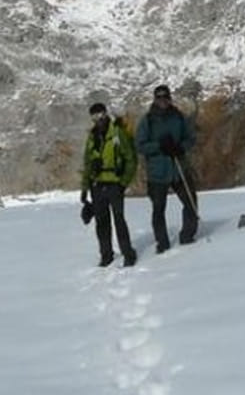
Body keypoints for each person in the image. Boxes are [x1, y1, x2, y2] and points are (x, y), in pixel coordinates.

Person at [135, 84, 198, 254]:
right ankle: (162, 242)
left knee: (190, 202)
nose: (162, 100)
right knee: (158, 209)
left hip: (178, 168)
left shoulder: (178, 117)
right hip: (157, 172)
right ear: (155, 99)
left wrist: (180, 147)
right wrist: (159, 146)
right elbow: (140, 146)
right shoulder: (147, 120)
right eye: (159, 97)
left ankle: (188, 235)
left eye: (165, 97)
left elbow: (191, 138)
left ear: (169, 98)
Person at [80, 102, 138, 268]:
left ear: (106, 114)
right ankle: (106, 255)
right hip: (97, 185)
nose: (98, 119)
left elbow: (131, 160)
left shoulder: (117, 134)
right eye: (94, 116)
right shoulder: (92, 137)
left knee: (119, 220)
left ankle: (128, 253)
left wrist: (123, 183)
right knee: (101, 222)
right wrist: (85, 188)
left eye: (101, 115)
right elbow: (87, 163)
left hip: (115, 184)